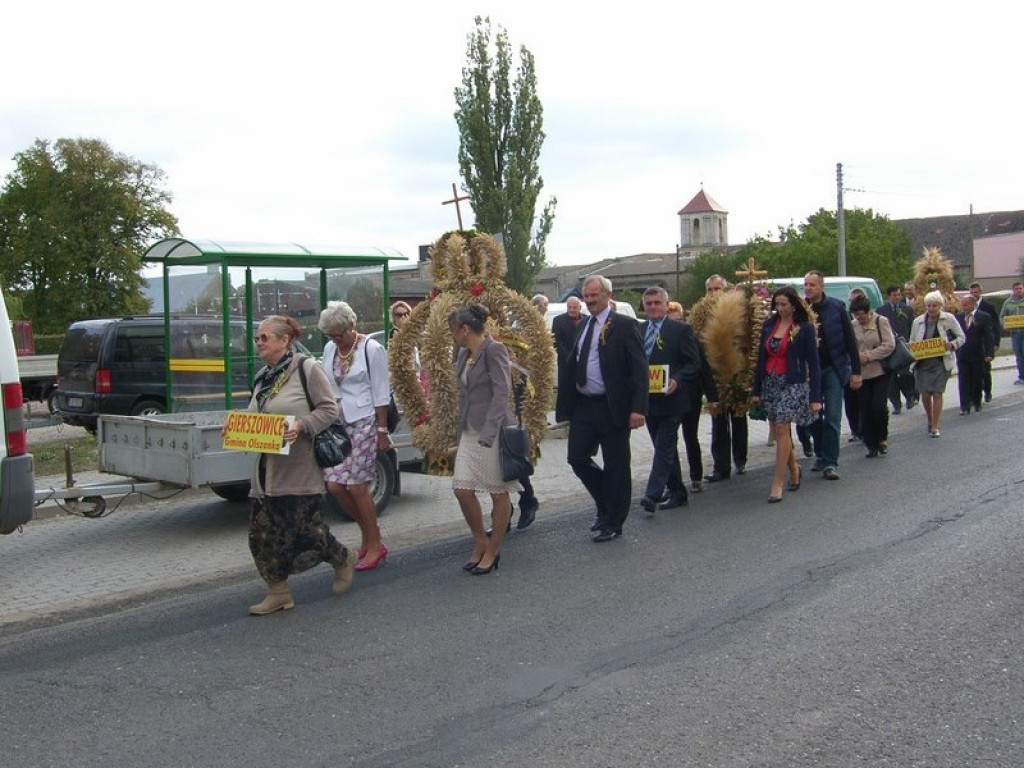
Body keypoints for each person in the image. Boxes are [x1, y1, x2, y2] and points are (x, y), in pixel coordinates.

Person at [245, 315, 353, 616]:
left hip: (299, 469)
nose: (259, 343)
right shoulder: (262, 377)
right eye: (257, 338)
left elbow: (330, 409)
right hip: (267, 473)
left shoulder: (307, 369)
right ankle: (278, 593)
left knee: (306, 531)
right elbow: (255, 416)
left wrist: (303, 425)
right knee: (261, 535)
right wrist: (239, 430)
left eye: (265, 337)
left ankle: (342, 558)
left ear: (284, 340)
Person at [555, 275, 647, 542]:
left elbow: (639, 370)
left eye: (595, 295)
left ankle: (613, 520)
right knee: (577, 457)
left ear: (608, 295)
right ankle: (607, 501)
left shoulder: (625, 325)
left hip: (613, 406)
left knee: (617, 464)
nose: (590, 300)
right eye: (587, 295)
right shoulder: (583, 324)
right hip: (585, 406)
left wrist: (638, 408)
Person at [319, 301, 392, 572]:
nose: (335, 339)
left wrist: (382, 431)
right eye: (330, 335)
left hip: (364, 421)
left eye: (339, 333)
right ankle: (368, 534)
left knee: (357, 486)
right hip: (336, 424)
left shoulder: (371, 349)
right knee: (335, 486)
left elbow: (381, 391)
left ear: (352, 326)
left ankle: (375, 545)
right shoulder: (329, 349)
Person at [449, 304, 518, 574]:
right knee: (461, 489)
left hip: (493, 432)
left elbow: (503, 393)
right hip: (468, 430)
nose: (454, 336)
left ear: (465, 329)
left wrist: (489, 432)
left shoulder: (494, 350)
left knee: (498, 493)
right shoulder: (463, 354)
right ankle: (480, 540)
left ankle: (493, 549)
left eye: (455, 331)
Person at [638, 287, 717, 513]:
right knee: (663, 447)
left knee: (664, 446)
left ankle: (652, 494)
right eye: (649, 303)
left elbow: (693, 363)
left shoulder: (680, 330)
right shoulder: (639, 329)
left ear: (666, 304)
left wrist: (677, 380)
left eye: (657, 303)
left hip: (673, 400)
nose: (653, 307)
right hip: (649, 401)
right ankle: (677, 491)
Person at [750, 286, 821, 503]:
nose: (779, 309)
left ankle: (777, 482)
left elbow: (814, 364)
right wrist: (756, 389)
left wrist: (815, 397)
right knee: (779, 429)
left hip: (792, 382)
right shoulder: (769, 325)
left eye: (784, 304)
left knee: (782, 426)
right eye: (777, 304)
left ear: (793, 305)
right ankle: (794, 469)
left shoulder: (804, 328)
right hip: (770, 381)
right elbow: (760, 358)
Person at [804, 270, 862, 481]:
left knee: (833, 416)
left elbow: (850, 342)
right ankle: (820, 452)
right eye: (806, 284)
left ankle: (830, 462)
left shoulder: (836, 307)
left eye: (812, 284)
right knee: (812, 417)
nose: (808, 288)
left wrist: (856, 371)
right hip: (810, 373)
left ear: (822, 287)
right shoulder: (801, 310)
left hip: (833, 369)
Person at [701, 275, 749, 483]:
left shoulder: (737, 309)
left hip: (736, 371)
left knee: (738, 418)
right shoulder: (702, 314)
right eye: (710, 289)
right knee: (718, 422)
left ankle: (740, 459)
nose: (714, 293)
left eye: (718, 288)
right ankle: (721, 466)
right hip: (714, 376)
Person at [909, 291, 966, 437]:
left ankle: (935, 425)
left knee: (937, 392)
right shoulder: (918, 321)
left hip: (941, 362)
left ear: (940, 306)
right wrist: (913, 350)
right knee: (925, 394)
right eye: (929, 306)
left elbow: (961, 337)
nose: (932, 309)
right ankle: (930, 418)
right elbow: (912, 341)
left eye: (934, 306)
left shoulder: (948, 319)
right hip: (922, 363)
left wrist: (951, 345)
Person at [850, 294, 895, 458]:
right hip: (861, 374)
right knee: (865, 408)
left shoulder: (880, 321)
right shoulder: (853, 325)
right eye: (856, 315)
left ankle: (882, 438)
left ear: (868, 312)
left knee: (878, 406)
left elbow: (889, 345)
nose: (859, 318)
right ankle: (871, 444)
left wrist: (869, 355)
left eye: (862, 315)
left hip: (880, 371)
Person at [875, 285, 916, 414]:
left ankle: (910, 396)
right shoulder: (881, 310)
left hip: (904, 346)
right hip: (889, 347)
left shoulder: (907, 309)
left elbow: (911, 326)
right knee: (891, 377)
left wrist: (911, 341)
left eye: (899, 294)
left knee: (905, 373)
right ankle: (896, 404)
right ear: (889, 296)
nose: (897, 297)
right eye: (894, 295)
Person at [955, 294, 995, 415]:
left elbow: (988, 336)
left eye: (966, 304)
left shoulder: (984, 317)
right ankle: (964, 405)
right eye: (962, 304)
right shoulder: (958, 318)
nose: (963, 307)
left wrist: (989, 353)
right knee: (963, 380)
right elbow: (953, 333)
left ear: (973, 304)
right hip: (962, 354)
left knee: (977, 379)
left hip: (978, 354)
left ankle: (977, 401)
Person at [969, 282, 1000, 402]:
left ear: (980, 292)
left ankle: (987, 391)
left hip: (985, 343)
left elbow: (995, 326)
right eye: (971, 292)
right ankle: (975, 395)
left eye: (975, 292)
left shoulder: (988, 306)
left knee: (985, 369)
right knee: (973, 370)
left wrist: (996, 342)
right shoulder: (966, 306)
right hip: (972, 344)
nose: (973, 294)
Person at [999, 280, 1024, 384]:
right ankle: (1022, 377)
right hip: (1015, 333)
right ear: (1013, 290)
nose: (1018, 290)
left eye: (1020, 288)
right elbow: (1002, 316)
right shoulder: (1008, 302)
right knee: (1019, 355)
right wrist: (1004, 325)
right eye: (1016, 289)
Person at [551, 295, 584, 369]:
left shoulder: (587, 319)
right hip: (565, 363)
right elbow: (556, 341)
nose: (572, 310)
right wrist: (570, 358)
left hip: (583, 362)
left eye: (574, 307)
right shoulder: (558, 320)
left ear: (580, 308)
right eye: (569, 307)